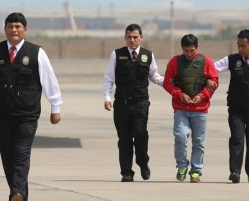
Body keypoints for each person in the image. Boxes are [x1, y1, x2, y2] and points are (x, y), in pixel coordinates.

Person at [0, 12, 63, 201]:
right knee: (7, 156)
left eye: (18, 27)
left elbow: (49, 81)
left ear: (25, 29)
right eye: (10, 26)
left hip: (27, 114)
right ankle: (20, 198)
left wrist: (55, 107)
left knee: (21, 154)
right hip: (3, 113)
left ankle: (15, 193)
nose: (14, 30)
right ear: (5, 29)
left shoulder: (36, 52)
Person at [103, 23, 164, 182]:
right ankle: (126, 172)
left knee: (140, 133)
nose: (132, 40)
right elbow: (109, 78)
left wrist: (170, 83)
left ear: (141, 37)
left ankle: (143, 162)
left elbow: (154, 76)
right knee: (124, 139)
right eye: (129, 37)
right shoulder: (117, 54)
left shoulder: (147, 55)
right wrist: (107, 98)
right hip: (122, 104)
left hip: (140, 103)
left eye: (135, 37)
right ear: (125, 37)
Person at [163, 34, 218, 183]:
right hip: (181, 108)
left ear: (197, 48)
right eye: (186, 51)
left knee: (199, 141)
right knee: (180, 136)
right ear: (182, 49)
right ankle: (182, 166)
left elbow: (214, 82)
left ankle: (196, 171)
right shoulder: (174, 62)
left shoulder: (206, 61)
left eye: (192, 51)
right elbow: (167, 83)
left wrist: (203, 96)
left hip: (200, 110)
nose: (188, 54)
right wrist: (179, 94)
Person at [208, 29, 249, 183]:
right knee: (237, 139)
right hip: (236, 109)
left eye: (243, 45)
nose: (239, 49)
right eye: (238, 45)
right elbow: (212, 68)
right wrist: (207, 78)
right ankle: (235, 172)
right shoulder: (232, 60)